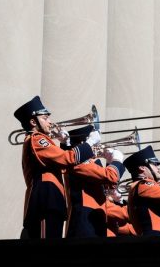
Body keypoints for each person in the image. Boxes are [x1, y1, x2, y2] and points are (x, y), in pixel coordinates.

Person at [15, 96, 100, 238]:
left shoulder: (42, 140)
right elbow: (67, 159)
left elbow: (64, 165)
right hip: (45, 200)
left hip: (53, 201)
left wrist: (65, 143)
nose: (50, 122)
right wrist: (89, 143)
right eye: (45, 118)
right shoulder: (37, 139)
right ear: (32, 121)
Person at [63, 125, 125, 237]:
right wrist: (117, 160)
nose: (98, 146)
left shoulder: (92, 162)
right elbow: (110, 176)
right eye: (94, 143)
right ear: (84, 144)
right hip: (84, 217)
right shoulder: (79, 162)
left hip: (96, 216)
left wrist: (110, 162)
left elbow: (109, 186)